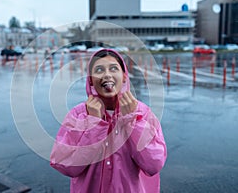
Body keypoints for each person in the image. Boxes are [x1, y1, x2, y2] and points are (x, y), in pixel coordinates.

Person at [50, 48, 167, 193]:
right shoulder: (78, 115)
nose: (107, 74)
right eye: (99, 70)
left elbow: (153, 164)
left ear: (124, 77)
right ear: (91, 80)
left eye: (113, 68)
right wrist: (93, 124)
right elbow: (65, 165)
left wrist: (131, 122)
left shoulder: (142, 114)